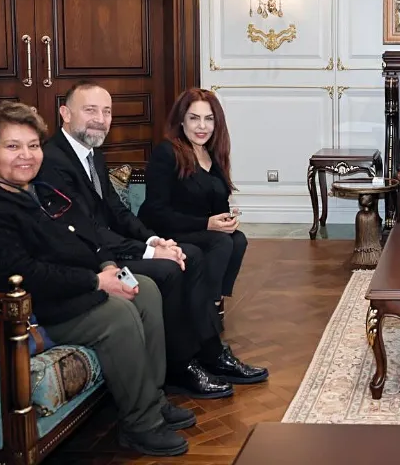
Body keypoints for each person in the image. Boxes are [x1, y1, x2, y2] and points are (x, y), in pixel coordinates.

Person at [0, 102, 193, 456]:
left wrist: (107, 265)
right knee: (117, 315)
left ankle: (152, 399)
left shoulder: (39, 188)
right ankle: (141, 425)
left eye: (33, 145)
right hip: (32, 308)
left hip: (72, 286)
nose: (26, 155)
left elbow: (84, 232)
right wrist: (96, 282)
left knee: (146, 289)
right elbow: (23, 272)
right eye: (12, 146)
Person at [40, 80, 266, 399]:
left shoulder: (93, 156)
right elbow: (86, 229)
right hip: (91, 260)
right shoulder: (53, 160)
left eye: (106, 112)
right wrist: (147, 250)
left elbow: (118, 212)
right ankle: (182, 366)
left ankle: (208, 353)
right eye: (90, 110)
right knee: (173, 267)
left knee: (191, 255)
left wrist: (154, 241)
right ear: (65, 113)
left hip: (108, 249)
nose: (100, 119)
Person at [138, 89, 246, 321]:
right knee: (220, 242)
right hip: (165, 229)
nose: (202, 126)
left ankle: (214, 301)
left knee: (238, 239)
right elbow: (156, 211)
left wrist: (226, 219)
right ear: (181, 120)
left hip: (197, 228)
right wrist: (207, 224)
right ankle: (205, 310)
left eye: (209, 119)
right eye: (194, 118)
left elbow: (217, 203)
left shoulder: (213, 154)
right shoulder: (167, 153)